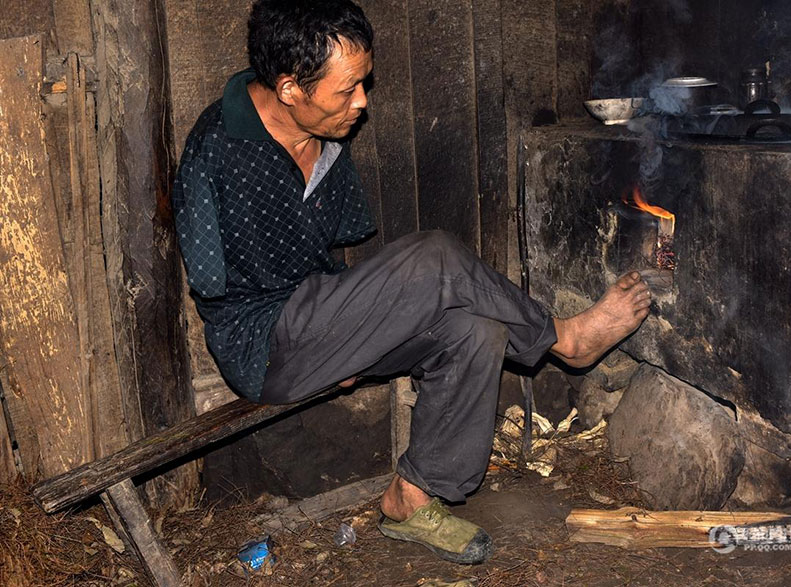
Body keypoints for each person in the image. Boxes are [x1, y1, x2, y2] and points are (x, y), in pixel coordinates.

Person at [172, 0, 651, 565]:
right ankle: (564, 340)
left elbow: (333, 252)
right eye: (346, 89)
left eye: (364, 84)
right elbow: (210, 283)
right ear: (288, 89)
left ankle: (411, 498)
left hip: (323, 322)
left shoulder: (324, 135)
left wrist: (349, 333)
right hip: (264, 342)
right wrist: (331, 336)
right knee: (434, 256)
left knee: (477, 329)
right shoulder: (219, 147)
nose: (361, 103)